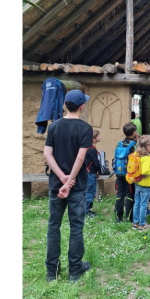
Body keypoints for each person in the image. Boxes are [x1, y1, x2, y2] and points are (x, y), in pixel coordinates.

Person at [42, 89, 93, 282]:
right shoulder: (85, 128)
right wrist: (70, 179)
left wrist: (62, 178)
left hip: (56, 184)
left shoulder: (54, 127)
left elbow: (47, 154)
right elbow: (80, 157)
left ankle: (51, 272)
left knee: (54, 226)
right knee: (76, 227)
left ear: (65, 105)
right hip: (77, 185)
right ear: (82, 106)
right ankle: (74, 270)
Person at [114, 123, 137, 223]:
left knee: (119, 194)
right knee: (130, 194)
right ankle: (128, 218)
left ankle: (118, 217)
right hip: (130, 175)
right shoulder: (135, 145)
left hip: (119, 173)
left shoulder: (119, 144)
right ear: (134, 132)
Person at [133, 135, 150, 231]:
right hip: (145, 184)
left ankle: (135, 223)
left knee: (137, 203)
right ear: (147, 147)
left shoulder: (137, 154)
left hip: (137, 183)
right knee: (143, 205)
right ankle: (142, 225)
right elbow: (145, 171)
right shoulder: (146, 157)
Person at [84, 130, 104, 219]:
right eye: (98, 136)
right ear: (94, 139)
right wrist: (99, 171)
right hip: (91, 174)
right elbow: (96, 163)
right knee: (90, 192)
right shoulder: (92, 149)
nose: (100, 137)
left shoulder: (87, 147)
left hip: (88, 173)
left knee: (89, 191)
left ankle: (88, 209)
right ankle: (86, 211)